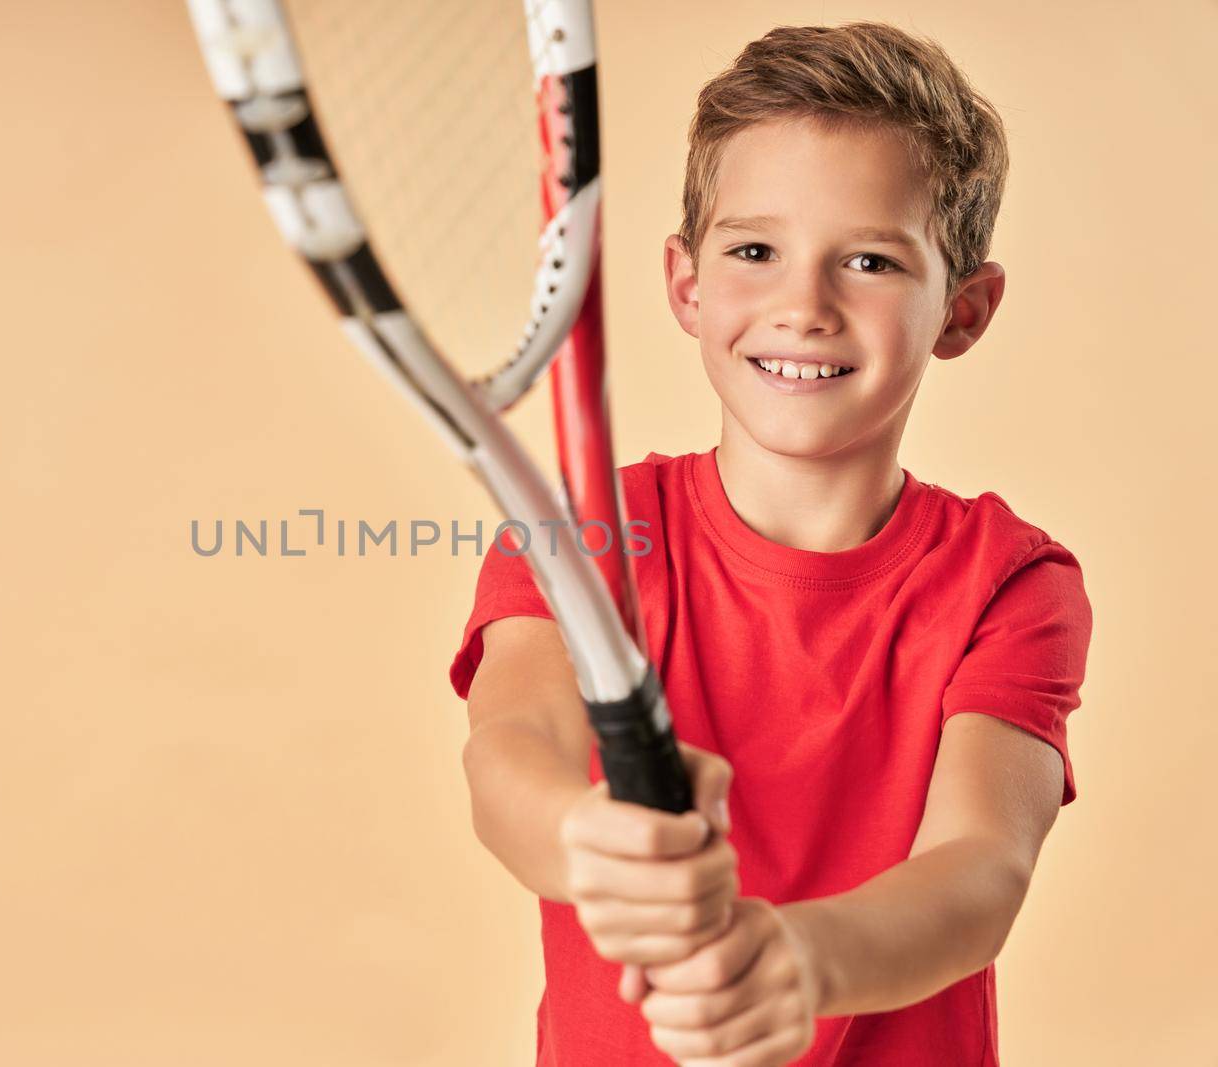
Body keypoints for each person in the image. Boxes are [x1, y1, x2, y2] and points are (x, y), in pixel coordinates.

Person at [450, 21, 1093, 1067]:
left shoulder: (1009, 580)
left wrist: (800, 955)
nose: (803, 307)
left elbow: (981, 866)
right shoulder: (579, 532)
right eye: (754, 251)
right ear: (687, 284)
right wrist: (587, 838)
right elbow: (509, 750)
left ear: (962, 309)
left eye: (872, 260)